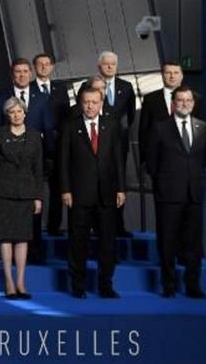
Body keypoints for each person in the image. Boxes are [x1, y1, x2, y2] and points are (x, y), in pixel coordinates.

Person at [59, 84, 125, 299]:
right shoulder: (70, 126)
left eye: (94, 102)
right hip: (79, 194)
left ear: (101, 103)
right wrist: (66, 190)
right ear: (80, 103)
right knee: (78, 241)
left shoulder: (112, 125)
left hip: (107, 194)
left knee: (107, 242)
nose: (90, 106)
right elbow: (64, 162)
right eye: (86, 102)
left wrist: (121, 189)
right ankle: (77, 285)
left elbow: (118, 160)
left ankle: (106, 285)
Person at [147, 86, 206, 298]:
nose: (184, 103)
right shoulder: (160, 127)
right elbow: (151, 163)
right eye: (180, 100)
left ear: (193, 103)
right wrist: (163, 184)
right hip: (169, 195)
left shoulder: (203, 127)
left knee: (193, 244)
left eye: (188, 100)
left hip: (194, 195)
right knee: (168, 243)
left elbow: (205, 161)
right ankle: (169, 286)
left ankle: (193, 286)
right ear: (173, 103)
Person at [0, 58, 54, 262]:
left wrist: (49, 158)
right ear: (12, 74)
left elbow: (48, 129)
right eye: (18, 71)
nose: (22, 75)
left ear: (31, 73)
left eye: (26, 71)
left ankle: (34, 254)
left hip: (31, 162)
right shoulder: (1, 97)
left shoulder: (42, 98)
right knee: (8, 219)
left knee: (32, 210)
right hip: (7, 168)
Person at [0, 97, 43, 299]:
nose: (16, 115)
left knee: (23, 239)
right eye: (12, 112)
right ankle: (9, 282)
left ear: (25, 113)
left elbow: (38, 168)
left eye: (19, 111)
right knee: (6, 238)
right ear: (6, 115)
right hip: (3, 192)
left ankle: (21, 283)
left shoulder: (35, 136)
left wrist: (38, 196)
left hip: (26, 193)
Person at [97, 51, 136, 238]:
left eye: (113, 64)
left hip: (119, 144)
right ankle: (96, 225)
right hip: (96, 144)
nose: (110, 67)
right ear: (99, 67)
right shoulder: (90, 86)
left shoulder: (127, 87)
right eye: (106, 64)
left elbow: (131, 116)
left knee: (120, 184)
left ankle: (118, 225)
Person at [32, 53, 71, 237]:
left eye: (47, 64)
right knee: (34, 187)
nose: (44, 67)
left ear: (52, 67)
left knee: (57, 187)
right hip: (33, 145)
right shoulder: (28, 89)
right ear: (34, 67)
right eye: (40, 64)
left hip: (56, 145)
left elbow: (66, 117)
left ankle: (54, 226)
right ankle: (34, 228)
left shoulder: (61, 89)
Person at [139, 61, 194, 173]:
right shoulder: (150, 99)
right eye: (168, 72)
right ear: (162, 75)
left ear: (182, 75)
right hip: (159, 163)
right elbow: (144, 131)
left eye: (176, 72)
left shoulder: (196, 99)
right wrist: (144, 160)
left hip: (188, 163)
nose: (172, 76)